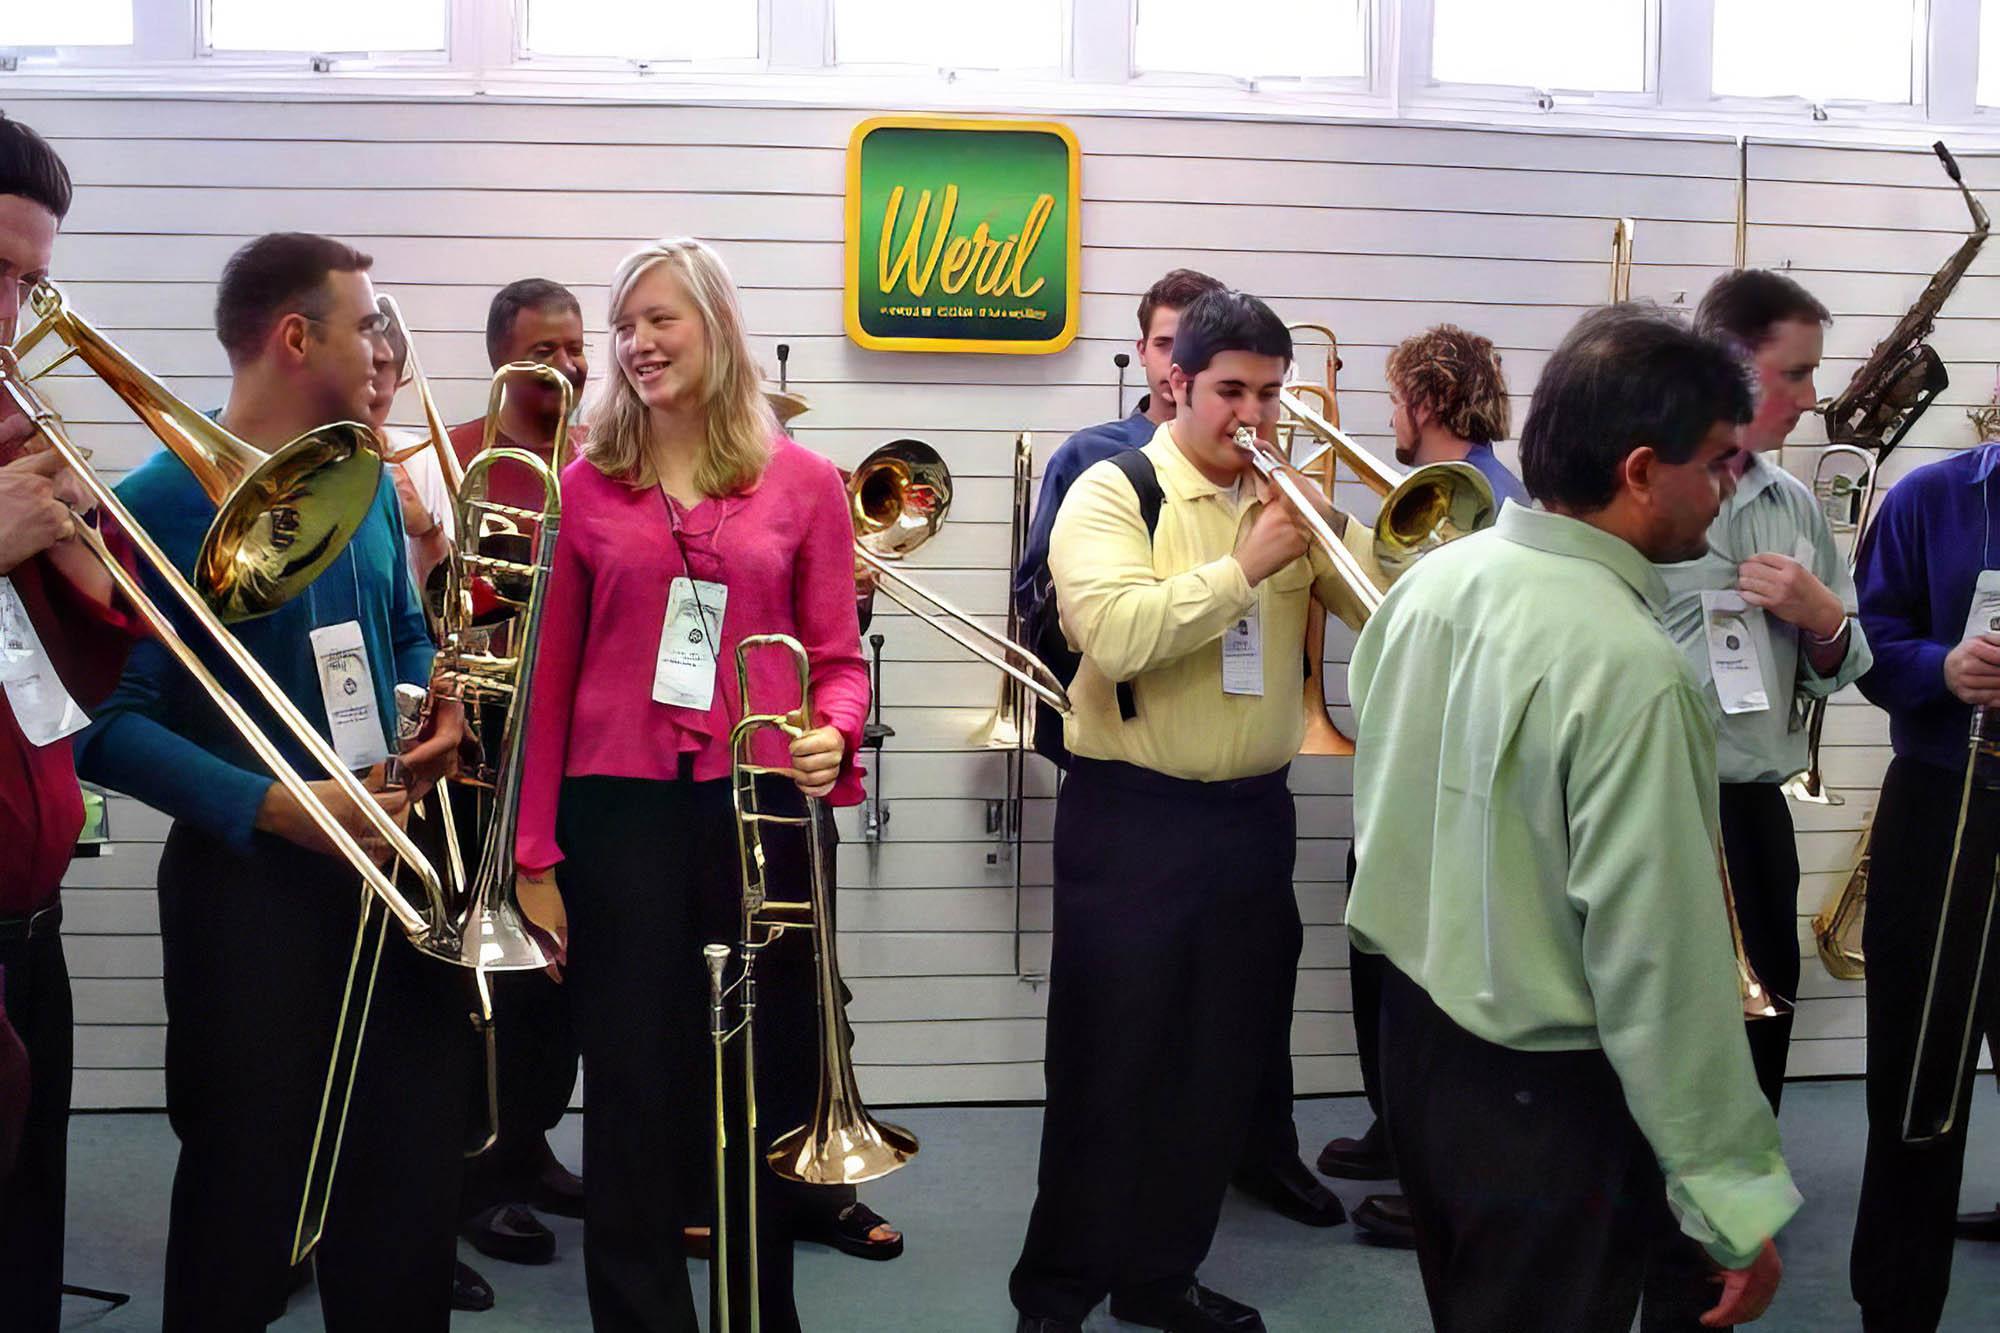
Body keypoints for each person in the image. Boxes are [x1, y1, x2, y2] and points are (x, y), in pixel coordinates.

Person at [1346, 304, 1798, 1332]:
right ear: (1639, 471)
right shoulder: (1633, 671)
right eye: (1718, 462)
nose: (1729, 487)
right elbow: (1661, 964)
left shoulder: (1429, 585)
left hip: (1418, 1053)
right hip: (1543, 1101)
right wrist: (1729, 1198)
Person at [74, 232, 472, 1333]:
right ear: (298, 337)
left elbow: (398, 630)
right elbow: (103, 728)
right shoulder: (158, 498)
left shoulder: (372, 482)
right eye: (366, 321)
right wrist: (267, 807)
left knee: (403, 1200)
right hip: (249, 893)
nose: (383, 342)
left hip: (389, 869)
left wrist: (430, 698)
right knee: (241, 1211)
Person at [513, 237, 869, 1333]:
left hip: (756, 810)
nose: (638, 340)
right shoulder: (584, 485)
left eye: (659, 317)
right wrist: (532, 857)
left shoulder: (804, 481)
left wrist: (830, 731)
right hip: (614, 816)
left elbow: (840, 659)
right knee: (627, 1084)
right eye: (626, 324)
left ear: (715, 324)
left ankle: (761, 1314)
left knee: (759, 1084)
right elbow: (546, 681)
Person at [1010, 289, 1371, 1333]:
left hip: (1251, 818)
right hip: (1130, 818)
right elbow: (1114, 635)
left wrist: (1348, 533)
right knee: (1104, 1066)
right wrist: (1245, 564)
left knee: (1216, 1067)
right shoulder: (1114, 490)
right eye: (1230, 392)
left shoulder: (1287, 501)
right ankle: (1056, 1292)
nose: (1250, 417)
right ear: (1177, 383)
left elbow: (1398, 604)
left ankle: (1160, 1277)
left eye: (1267, 394)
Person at [1317, 322, 1525, 1249]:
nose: (1387, 415)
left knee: (1426, 977)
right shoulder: (1430, 495)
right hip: (1413, 764)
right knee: (1383, 951)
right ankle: (1401, 1128)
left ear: (1431, 401)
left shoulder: (1490, 501)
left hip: (1453, 776)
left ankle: (1441, 1169)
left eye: (1396, 396)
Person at [1662, 270, 1872, 1111]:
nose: (1811, 397)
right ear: (1731, 365)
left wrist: (1822, 616)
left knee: (1763, 1008)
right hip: (1652, 798)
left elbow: (1845, 661)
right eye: (1796, 373)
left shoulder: (1793, 502)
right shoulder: (1646, 490)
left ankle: (1741, 1206)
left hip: (1752, 806)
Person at [0, 111, 141, 1333]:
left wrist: (83, 554)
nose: (11, 315)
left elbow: (71, 682)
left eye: (31, 283)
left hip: (29, 929)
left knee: (23, 1249)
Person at [1849, 431, 2000, 1332]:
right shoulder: (1928, 497)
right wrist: (1941, 668)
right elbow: (1867, 641)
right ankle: (1896, 1309)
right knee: (1914, 1084)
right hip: (1946, 800)